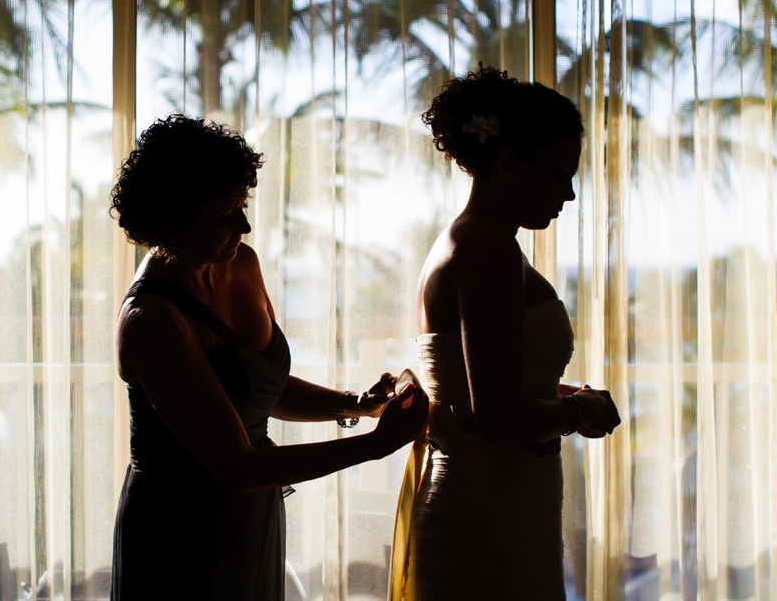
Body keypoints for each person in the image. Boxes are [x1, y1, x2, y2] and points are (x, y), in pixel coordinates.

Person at [109, 114, 429, 600]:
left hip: (251, 507)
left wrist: (355, 405)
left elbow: (256, 387)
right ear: (171, 221)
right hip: (183, 525)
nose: (244, 224)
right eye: (224, 215)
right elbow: (235, 466)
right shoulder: (150, 318)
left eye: (242, 205)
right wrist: (376, 445)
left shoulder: (241, 262)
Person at [388, 66, 621, 600]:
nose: (570, 193)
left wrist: (564, 395)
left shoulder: (471, 242)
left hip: (493, 502)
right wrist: (582, 412)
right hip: (486, 514)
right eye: (562, 172)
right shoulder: (486, 250)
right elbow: (499, 416)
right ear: (511, 162)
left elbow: (480, 385)